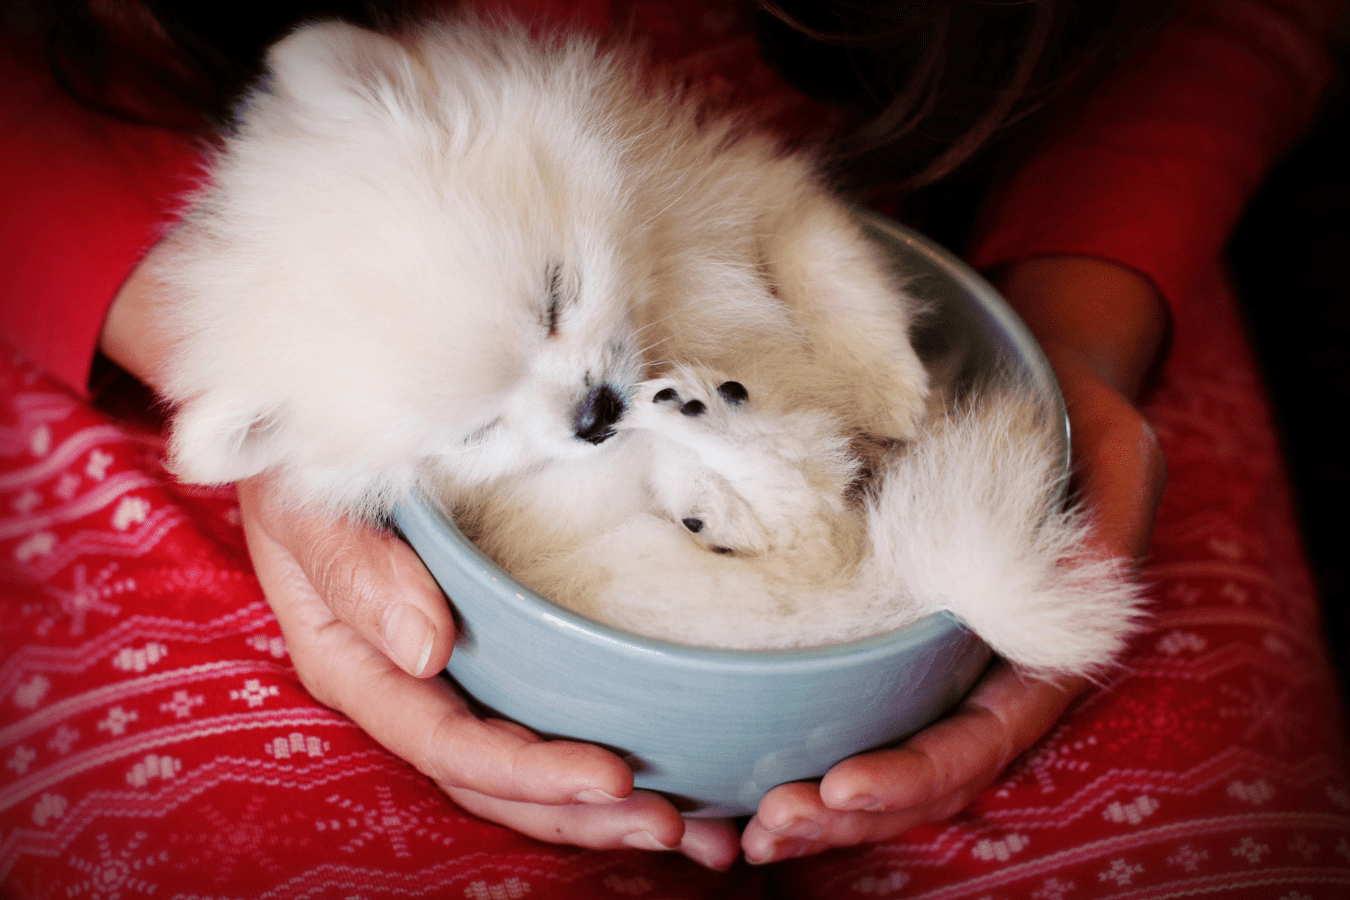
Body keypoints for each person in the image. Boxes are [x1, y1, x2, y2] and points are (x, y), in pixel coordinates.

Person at [2, 0, 1347, 896]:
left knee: (1204, 852)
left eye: (551, 312)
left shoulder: (548, 144)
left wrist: (1085, 316)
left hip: (987, 163)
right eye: (487, 415)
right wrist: (165, 305)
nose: (578, 401)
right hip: (128, 170)